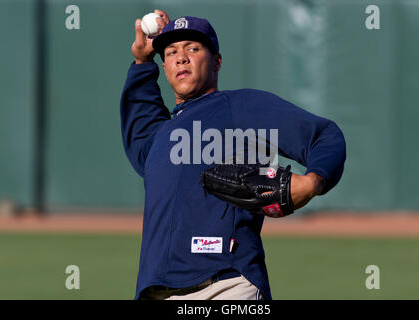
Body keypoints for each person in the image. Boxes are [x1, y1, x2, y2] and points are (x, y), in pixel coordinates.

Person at [120, 10, 346, 300]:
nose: (181, 57)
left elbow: (324, 135)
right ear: (164, 66)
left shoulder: (240, 108)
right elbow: (141, 127)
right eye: (172, 51)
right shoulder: (160, 138)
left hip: (226, 287)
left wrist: (314, 181)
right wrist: (142, 62)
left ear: (216, 61)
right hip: (157, 292)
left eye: (193, 48)